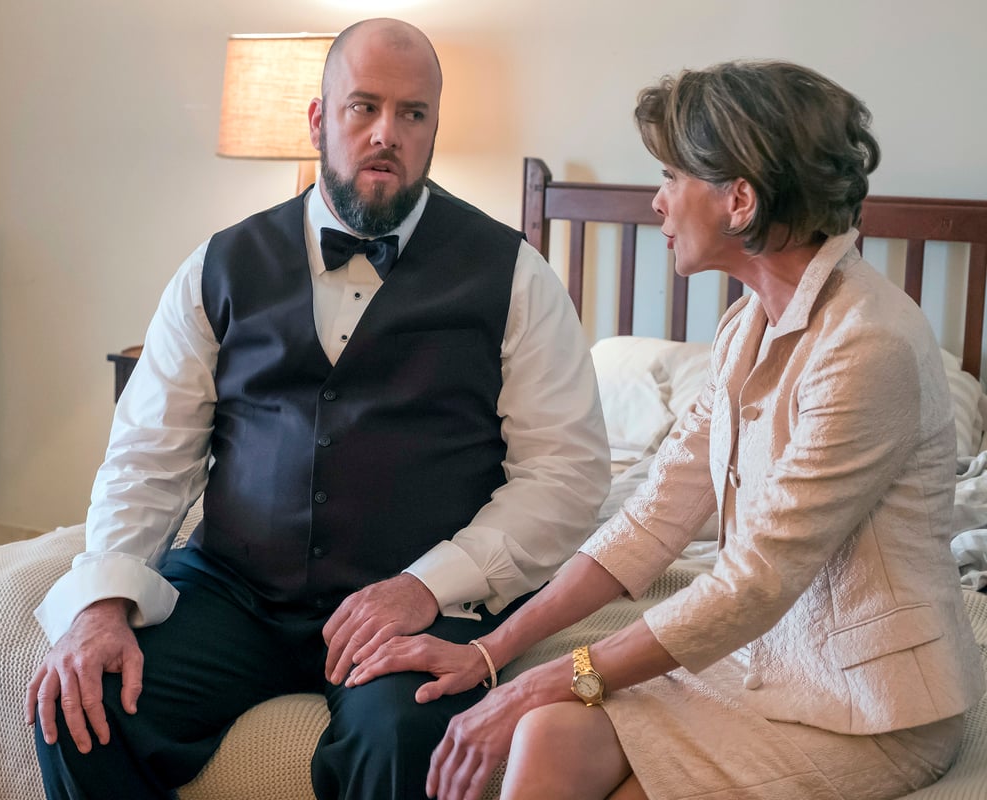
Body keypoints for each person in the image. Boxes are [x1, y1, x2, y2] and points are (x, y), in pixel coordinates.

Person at [349, 60, 987, 800]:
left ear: (739, 199)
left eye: (671, 176)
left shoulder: (867, 345)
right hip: (759, 665)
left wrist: (550, 679)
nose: (656, 201)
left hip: (866, 709)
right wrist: (492, 653)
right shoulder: (746, 327)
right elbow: (654, 518)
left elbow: (755, 580)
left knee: (575, 741)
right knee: (546, 732)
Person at [22, 17, 611, 800]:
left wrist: (427, 585)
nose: (386, 133)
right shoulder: (217, 265)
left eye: (413, 113)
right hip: (234, 589)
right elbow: (148, 455)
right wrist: (101, 603)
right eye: (363, 106)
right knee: (78, 707)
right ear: (317, 120)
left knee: (404, 738)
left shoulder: (515, 275)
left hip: (418, 598)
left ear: (434, 130)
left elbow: (567, 474)